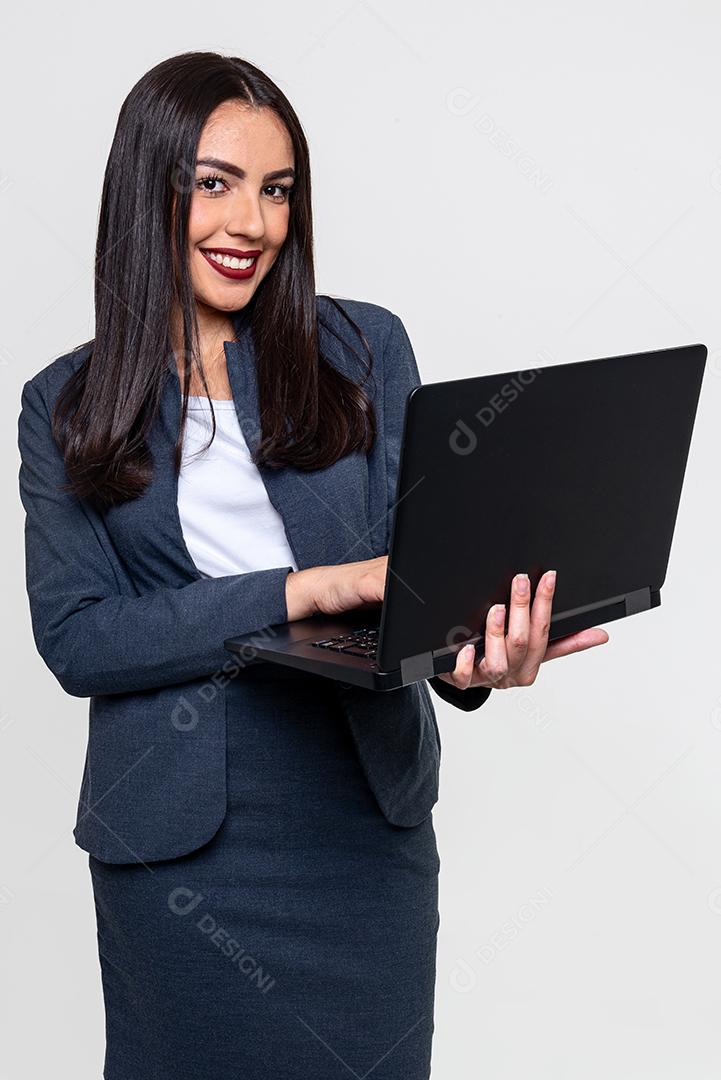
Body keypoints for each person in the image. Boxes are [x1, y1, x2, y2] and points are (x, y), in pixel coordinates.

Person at [17, 51, 608, 1080]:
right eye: (214, 182)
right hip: (180, 853)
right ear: (145, 186)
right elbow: (80, 636)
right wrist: (304, 590)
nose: (250, 222)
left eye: (276, 189)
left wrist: (475, 659)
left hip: (358, 834)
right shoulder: (64, 404)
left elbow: (418, 586)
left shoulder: (364, 352)